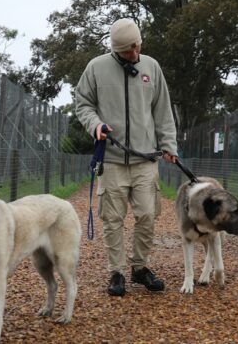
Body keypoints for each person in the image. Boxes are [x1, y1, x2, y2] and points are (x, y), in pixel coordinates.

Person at [75, 18, 177, 296]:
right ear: (115, 49)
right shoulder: (96, 68)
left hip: (145, 159)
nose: (134, 55)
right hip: (112, 158)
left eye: (136, 48)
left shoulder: (151, 66)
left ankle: (140, 268)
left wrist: (168, 145)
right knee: (113, 219)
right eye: (127, 51)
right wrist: (95, 125)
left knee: (147, 214)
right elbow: (82, 102)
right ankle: (116, 271)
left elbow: (163, 110)